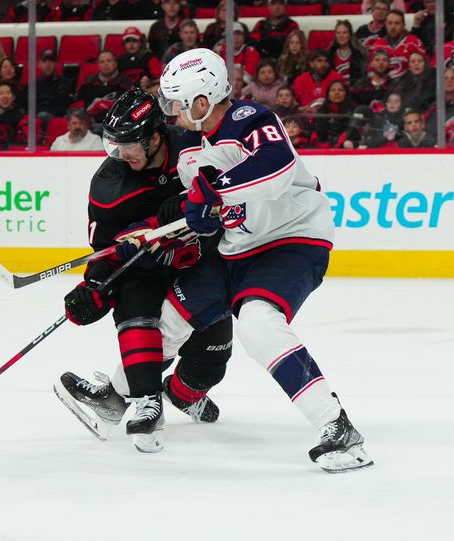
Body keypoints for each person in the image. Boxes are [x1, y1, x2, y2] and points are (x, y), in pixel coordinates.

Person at [157, 47, 373, 472]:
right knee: (169, 315)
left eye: (177, 104)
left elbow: (275, 168)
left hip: (291, 238)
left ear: (201, 102)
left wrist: (213, 194)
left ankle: (336, 426)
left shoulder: (252, 120)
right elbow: (201, 204)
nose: (172, 114)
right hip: (234, 247)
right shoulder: (186, 141)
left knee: (258, 323)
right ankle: (119, 393)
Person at [55, 88, 232, 452]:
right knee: (137, 305)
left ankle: (178, 395)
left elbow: (231, 188)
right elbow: (103, 255)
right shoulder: (109, 186)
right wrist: (93, 290)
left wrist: (186, 202)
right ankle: (145, 401)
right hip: (146, 268)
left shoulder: (193, 146)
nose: (121, 155)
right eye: (115, 145)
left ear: (154, 137)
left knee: (213, 360)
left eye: (130, 145)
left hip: (200, 263)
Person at [74, 50, 131, 128]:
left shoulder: (124, 82)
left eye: (109, 61)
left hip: (114, 124)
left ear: (115, 64)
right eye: (102, 62)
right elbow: (78, 104)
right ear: (98, 65)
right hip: (89, 122)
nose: (105, 64)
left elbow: (125, 108)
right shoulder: (88, 81)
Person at [369, 9, 426, 81]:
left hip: (409, 86)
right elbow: (370, 70)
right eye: (390, 23)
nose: (393, 27)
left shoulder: (414, 43)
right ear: (385, 25)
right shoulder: (377, 45)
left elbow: (424, 67)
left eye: (397, 23)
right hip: (384, 88)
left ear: (403, 25)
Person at [312, 79, 355, 148]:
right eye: (333, 90)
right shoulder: (321, 112)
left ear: (346, 93)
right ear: (328, 94)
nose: (336, 93)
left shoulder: (352, 111)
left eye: (340, 90)